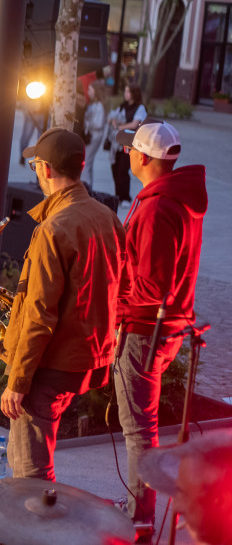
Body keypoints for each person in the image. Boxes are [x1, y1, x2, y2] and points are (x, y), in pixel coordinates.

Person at [1, 127, 125, 481]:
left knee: (31, 476)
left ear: (46, 169)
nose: (36, 173)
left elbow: (40, 316)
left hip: (50, 368)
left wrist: (17, 381)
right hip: (88, 361)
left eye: (36, 166)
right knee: (25, 457)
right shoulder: (107, 216)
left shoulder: (52, 229)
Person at [112, 120, 207, 539]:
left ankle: (139, 520)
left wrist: (113, 301)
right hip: (165, 331)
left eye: (130, 149)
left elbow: (151, 288)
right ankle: (139, 508)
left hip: (143, 333)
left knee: (138, 431)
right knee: (142, 427)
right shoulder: (178, 198)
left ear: (143, 158)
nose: (126, 154)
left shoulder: (154, 209)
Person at [108, 83, 148, 205]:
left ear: (134, 94)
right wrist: (113, 121)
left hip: (130, 144)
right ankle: (118, 196)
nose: (125, 94)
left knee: (123, 170)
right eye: (125, 91)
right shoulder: (122, 106)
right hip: (117, 144)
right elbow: (112, 118)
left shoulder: (140, 108)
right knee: (115, 168)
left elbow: (135, 124)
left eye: (128, 92)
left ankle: (125, 197)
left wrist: (119, 126)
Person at [83, 81, 108, 188]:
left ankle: (86, 186)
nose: (88, 92)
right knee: (88, 162)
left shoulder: (99, 106)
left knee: (86, 162)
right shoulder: (94, 104)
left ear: (95, 91)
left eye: (90, 90)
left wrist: (87, 123)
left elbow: (98, 123)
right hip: (93, 135)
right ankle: (88, 185)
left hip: (95, 136)